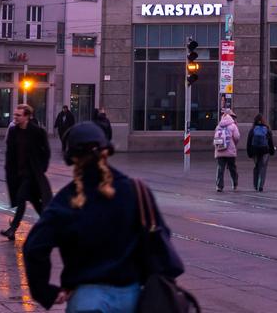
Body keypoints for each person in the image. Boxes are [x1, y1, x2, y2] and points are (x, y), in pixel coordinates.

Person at [24, 121, 185, 312]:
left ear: (72, 158)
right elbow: (161, 237)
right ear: (106, 151)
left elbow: (34, 247)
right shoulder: (135, 191)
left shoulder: (66, 200)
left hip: (85, 301)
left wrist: (44, 291)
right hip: (133, 298)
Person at [2, 103, 53, 240]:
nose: (15, 117)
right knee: (36, 201)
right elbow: (10, 152)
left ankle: (13, 229)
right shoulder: (13, 131)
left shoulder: (37, 132)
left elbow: (46, 152)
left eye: (18, 115)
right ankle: (51, 226)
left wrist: (42, 169)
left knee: (21, 197)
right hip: (17, 173)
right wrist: (8, 168)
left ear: (27, 116)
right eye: (15, 115)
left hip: (32, 173)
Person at [212, 108, 240, 192]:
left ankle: (219, 186)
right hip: (230, 151)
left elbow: (215, 138)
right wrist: (233, 144)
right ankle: (235, 184)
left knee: (220, 168)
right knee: (232, 168)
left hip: (220, 150)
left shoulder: (219, 126)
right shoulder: (233, 126)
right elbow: (237, 137)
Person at [245, 113, 276, 191]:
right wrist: (272, 151)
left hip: (254, 150)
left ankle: (255, 185)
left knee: (257, 167)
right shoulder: (267, 129)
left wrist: (249, 153)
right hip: (265, 151)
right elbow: (270, 142)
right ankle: (260, 185)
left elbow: (248, 142)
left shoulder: (252, 130)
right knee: (263, 168)